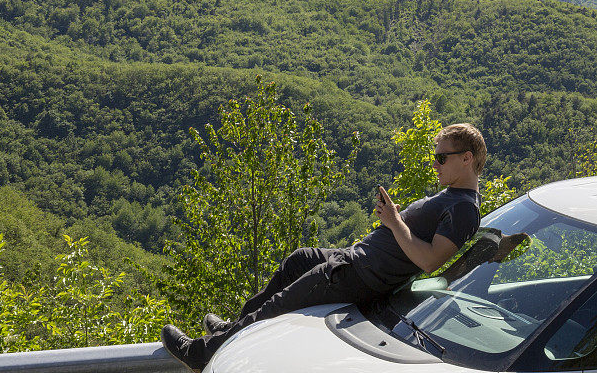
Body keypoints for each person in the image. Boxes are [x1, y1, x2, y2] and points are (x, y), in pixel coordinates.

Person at [161, 122, 486, 372]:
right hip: (355, 259)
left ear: (467, 158)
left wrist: (393, 221)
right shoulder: (453, 199)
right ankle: (233, 329)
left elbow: (430, 261)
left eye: (441, 158)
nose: (435, 165)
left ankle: (200, 354)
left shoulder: (464, 209)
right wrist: (397, 219)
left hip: (358, 275)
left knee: (277, 305)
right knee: (297, 260)